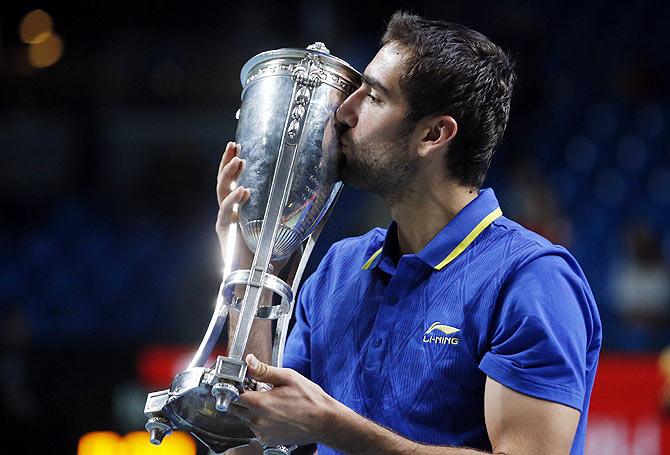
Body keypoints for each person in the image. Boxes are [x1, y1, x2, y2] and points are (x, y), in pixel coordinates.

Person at [216, 11, 601, 455]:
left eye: (373, 97)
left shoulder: (531, 279)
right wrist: (251, 264)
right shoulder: (340, 268)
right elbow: (271, 429)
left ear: (434, 134)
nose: (343, 111)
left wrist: (331, 424)